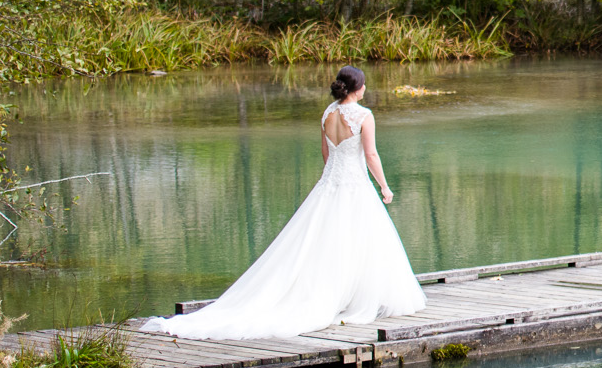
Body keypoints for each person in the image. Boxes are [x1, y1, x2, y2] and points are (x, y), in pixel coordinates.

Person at [145, 65, 427, 340]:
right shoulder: (364, 115)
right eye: (364, 84)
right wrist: (384, 186)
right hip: (357, 187)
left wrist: (333, 177)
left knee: (321, 241)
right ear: (358, 88)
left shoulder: (327, 114)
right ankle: (351, 297)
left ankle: (334, 294)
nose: (366, 88)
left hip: (329, 186)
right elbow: (371, 155)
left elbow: (326, 153)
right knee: (358, 241)